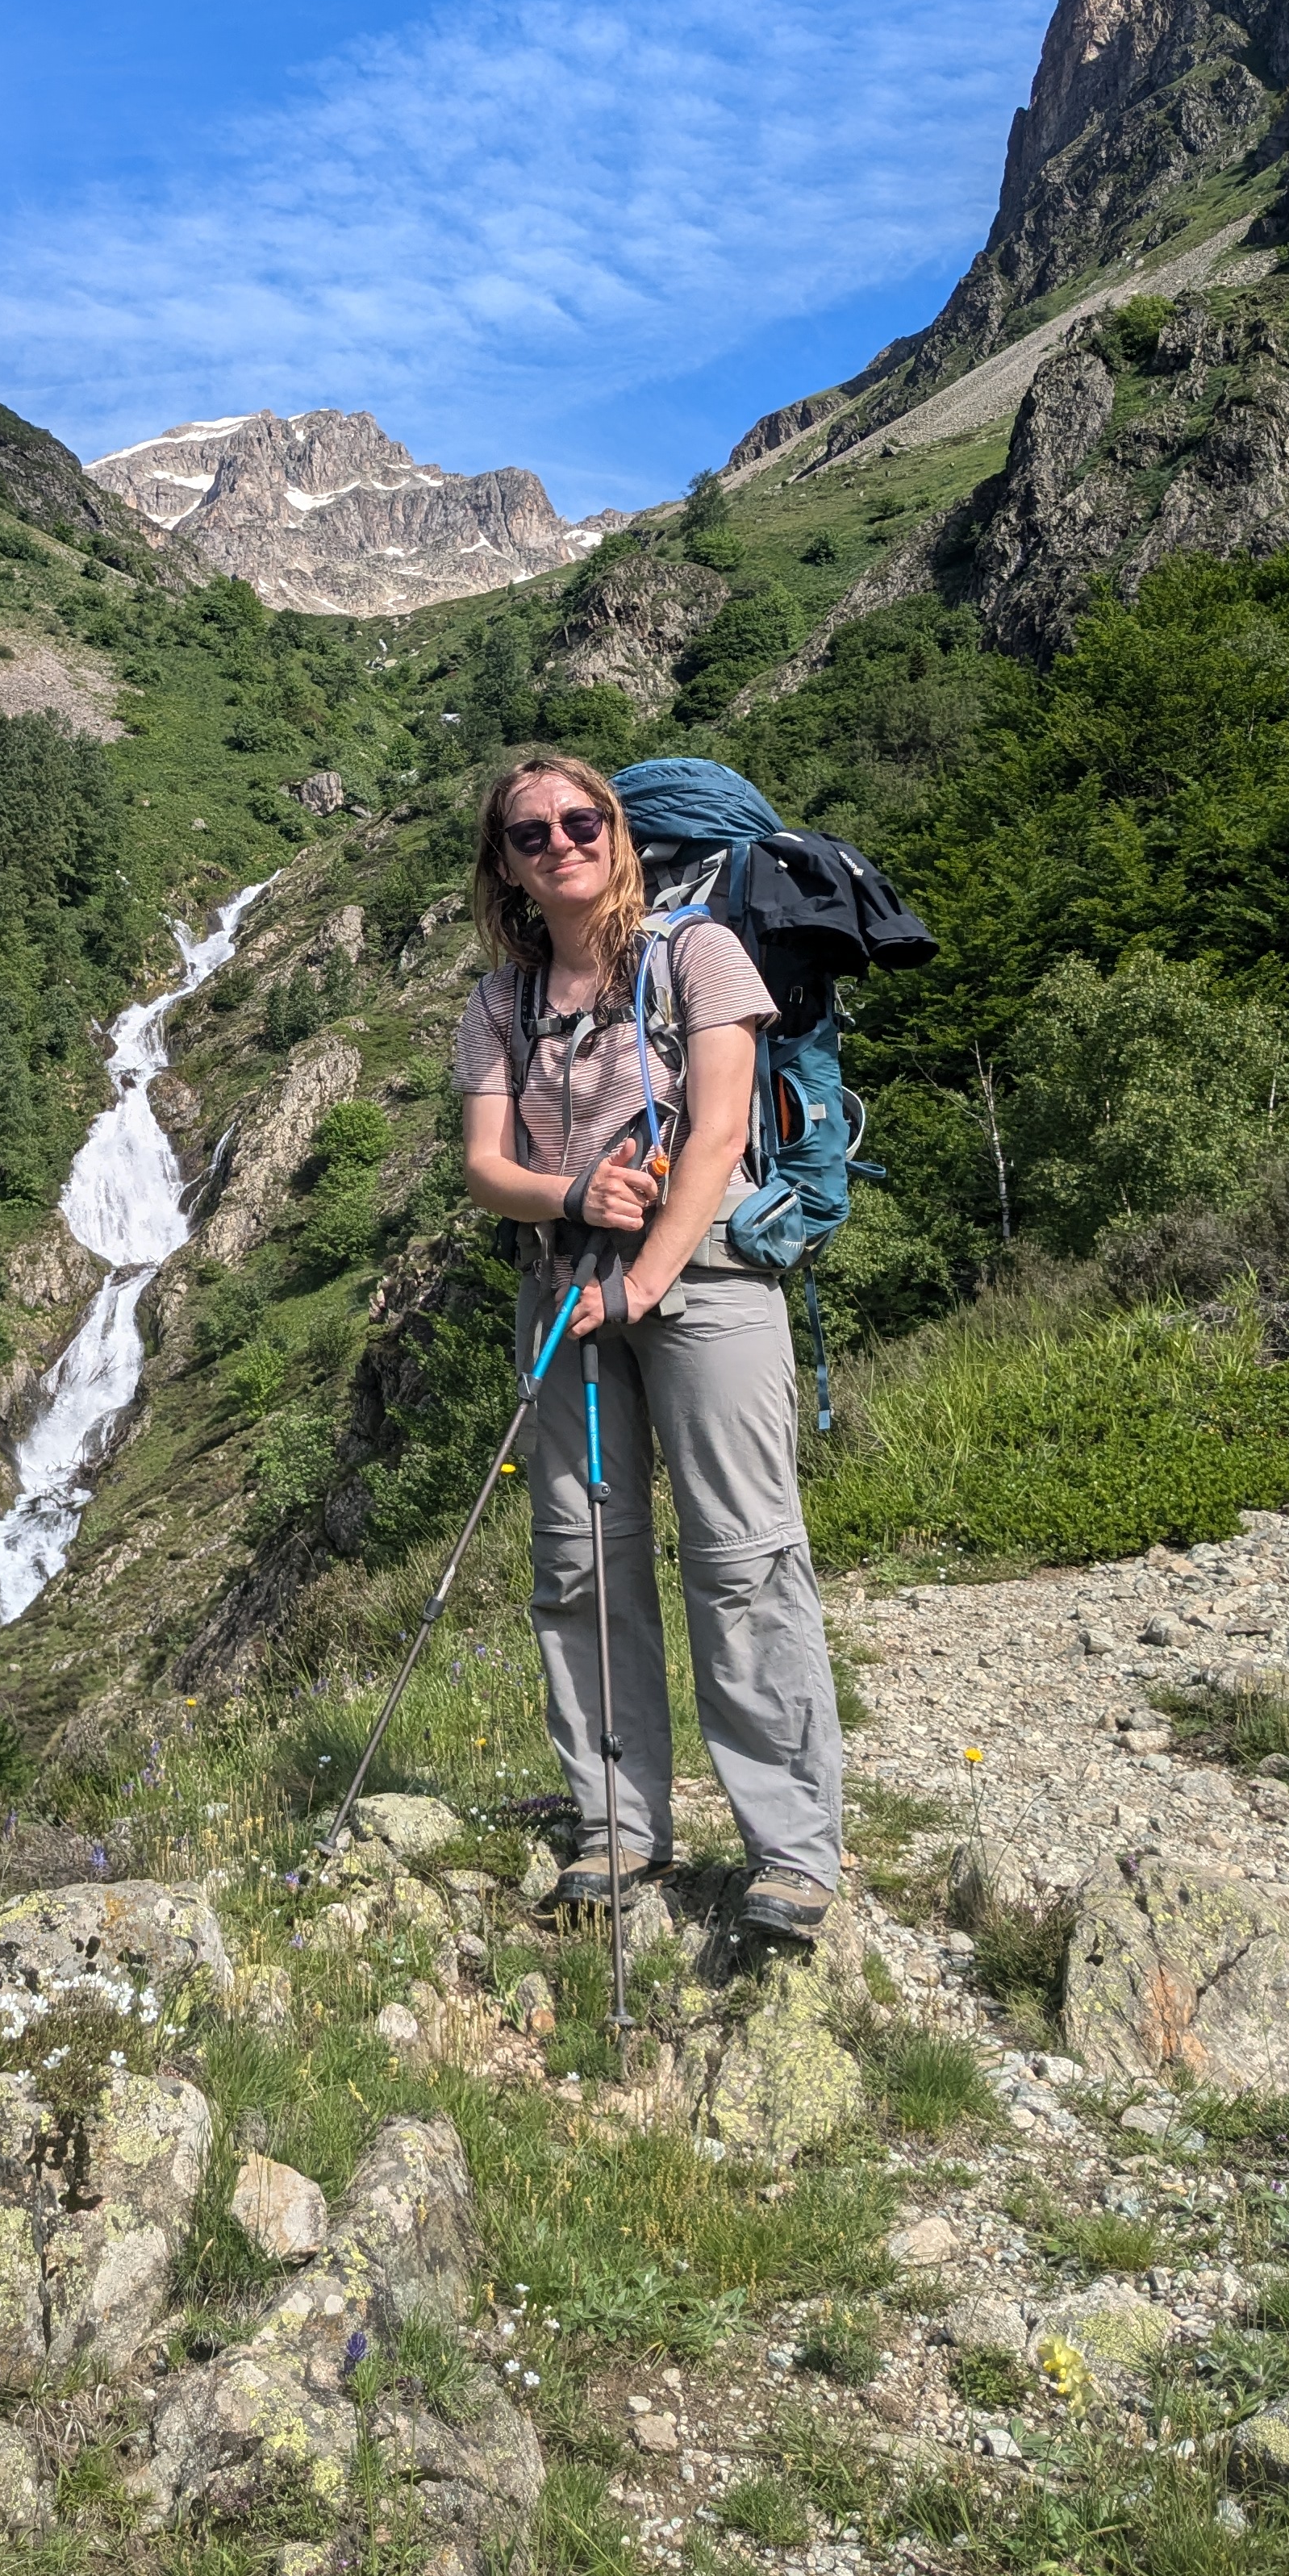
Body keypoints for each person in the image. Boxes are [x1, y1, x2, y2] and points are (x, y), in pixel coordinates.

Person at [453, 749, 843, 1941]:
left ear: (618, 833)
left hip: (706, 1284)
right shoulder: (498, 1001)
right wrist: (574, 1200)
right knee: (580, 1560)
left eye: (583, 820)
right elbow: (486, 1169)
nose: (561, 842)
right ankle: (616, 1826)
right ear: (507, 868)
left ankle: (790, 1849)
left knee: (742, 1552)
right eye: (532, 834)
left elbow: (721, 1130)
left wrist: (647, 1277)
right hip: (562, 1288)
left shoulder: (698, 954)